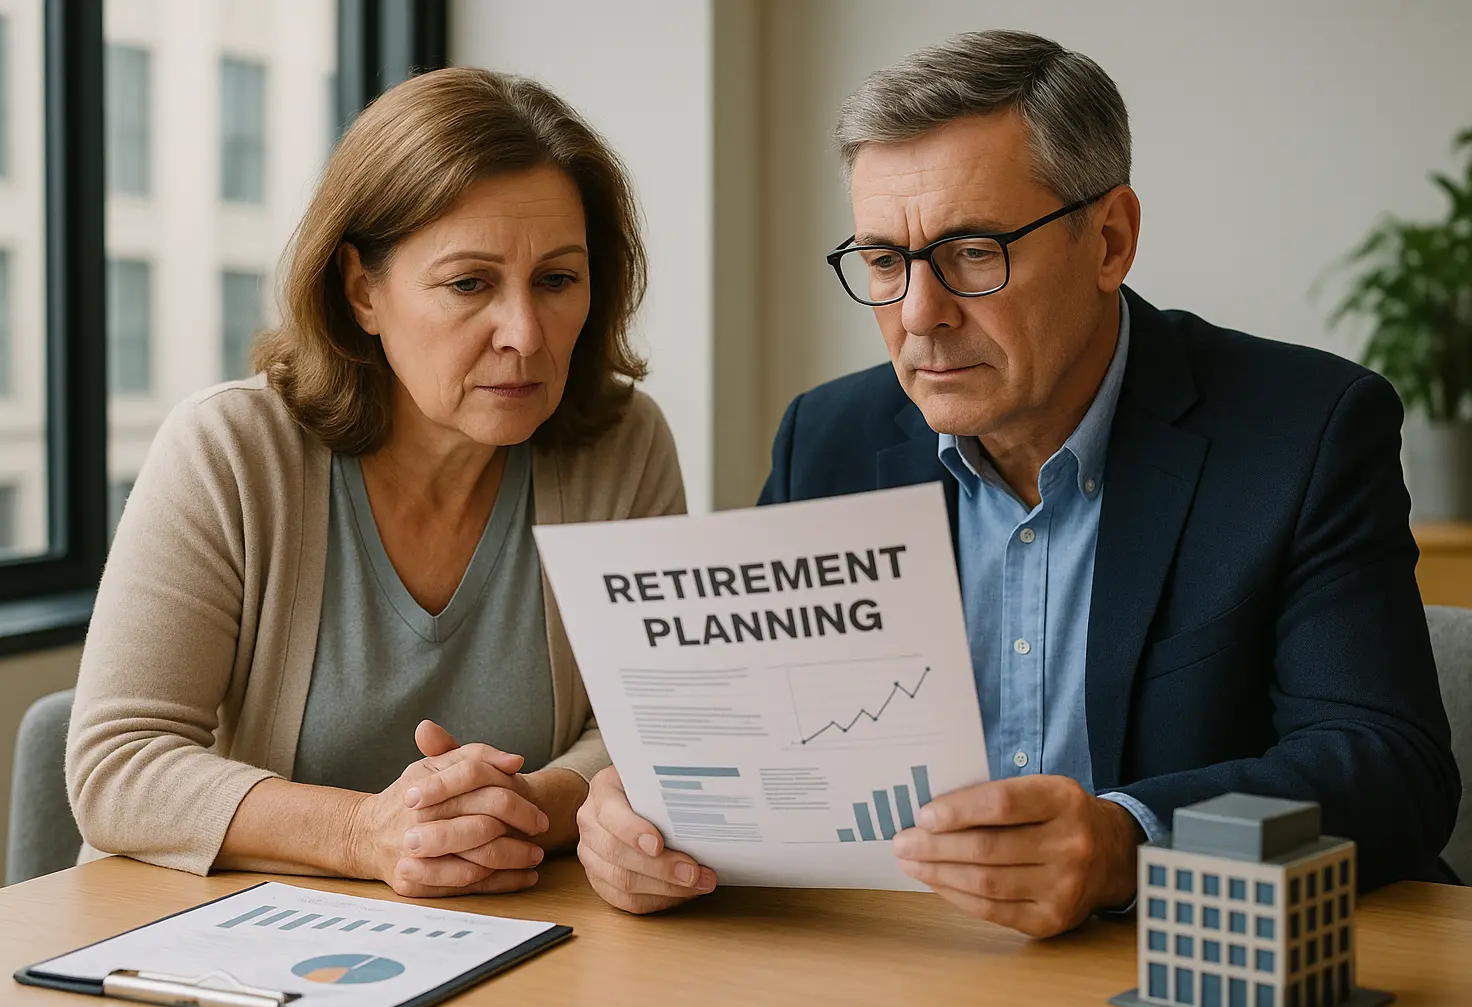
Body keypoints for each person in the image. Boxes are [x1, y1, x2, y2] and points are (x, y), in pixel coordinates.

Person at [574, 29, 1460, 933]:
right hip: (910, 963)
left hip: (1183, 957)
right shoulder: (828, 441)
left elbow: (1388, 766)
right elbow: (748, 743)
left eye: (972, 252)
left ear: (1109, 241)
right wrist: (639, 818)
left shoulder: (1304, 429)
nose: (920, 314)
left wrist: (1128, 845)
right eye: (884, 261)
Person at [66, 67, 684, 899]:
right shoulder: (230, 451)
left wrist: (529, 807)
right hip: (231, 950)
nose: (525, 334)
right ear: (363, 290)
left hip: (520, 935)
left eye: (557, 280)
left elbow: (650, 724)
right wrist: (366, 834)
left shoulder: (622, 443)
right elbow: (118, 767)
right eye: (470, 283)